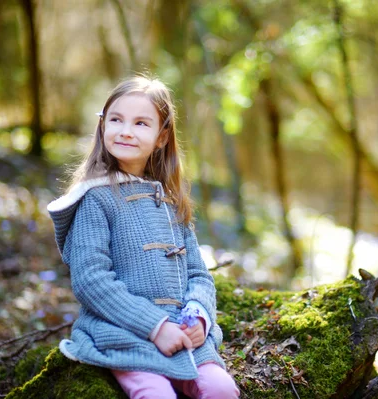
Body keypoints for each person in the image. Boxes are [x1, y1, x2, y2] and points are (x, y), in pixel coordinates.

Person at [47, 75, 240, 399]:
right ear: (102, 125)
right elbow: (91, 280)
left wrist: (198, 317)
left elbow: (199, 274)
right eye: (116, 120)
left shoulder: (170, 200)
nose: (125, 130)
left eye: (140, 123)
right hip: (124, 334)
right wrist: (155, 326)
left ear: (162, 136)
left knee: (221, 390)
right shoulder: (95, 199)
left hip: (184, 336)